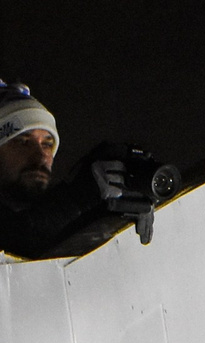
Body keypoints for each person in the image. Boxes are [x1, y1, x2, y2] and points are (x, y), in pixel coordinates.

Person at [0, 81, 169, 258]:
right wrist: (80, 195)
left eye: (47, 144)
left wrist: (114, 211)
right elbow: (18, 241)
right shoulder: (18, 229)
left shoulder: (45, 215)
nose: (41, 156)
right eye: (23, 141)